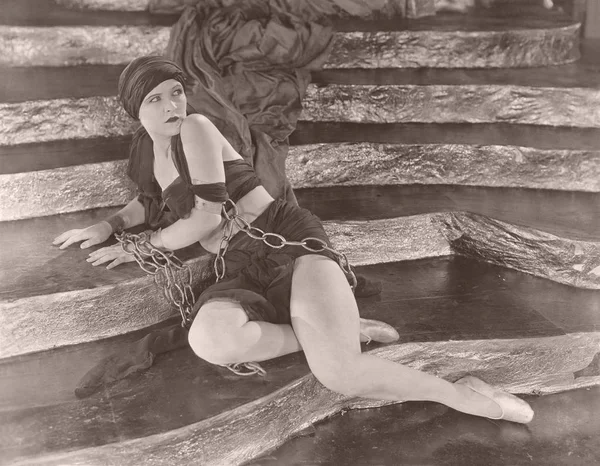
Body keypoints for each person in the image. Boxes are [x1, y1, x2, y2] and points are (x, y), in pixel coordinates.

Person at [53, 56, 534, 424]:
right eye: (154, 99)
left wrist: (146, 244)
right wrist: (107, 227)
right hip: (238, 266)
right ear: (135, 110)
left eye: (175, 92)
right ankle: (326, 328)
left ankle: (460, 392)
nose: (171, 105)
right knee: (209, 340)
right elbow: (147, 199)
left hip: (286, 242)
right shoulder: (146, 147)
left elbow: (204, 217)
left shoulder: (195, 128)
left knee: (340, 373)